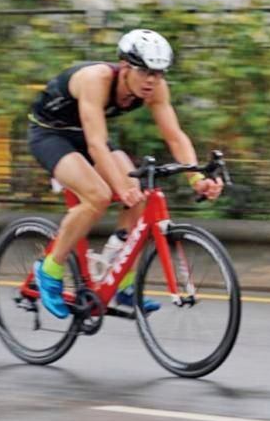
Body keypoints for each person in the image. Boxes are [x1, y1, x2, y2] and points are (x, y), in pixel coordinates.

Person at [27, 28, 223, 318]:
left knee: (141, 198)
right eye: (145, 72)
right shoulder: (97, 80)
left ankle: (123, 283)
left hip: (86, 132)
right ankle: (50, 269)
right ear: (125, 66)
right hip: (50, 134)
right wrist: (121, 185)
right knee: (99, 196)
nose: (152, 80)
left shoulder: (156, 88)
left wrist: (197, 178)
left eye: (158, 73)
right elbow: (96, 146)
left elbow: (175, 136)